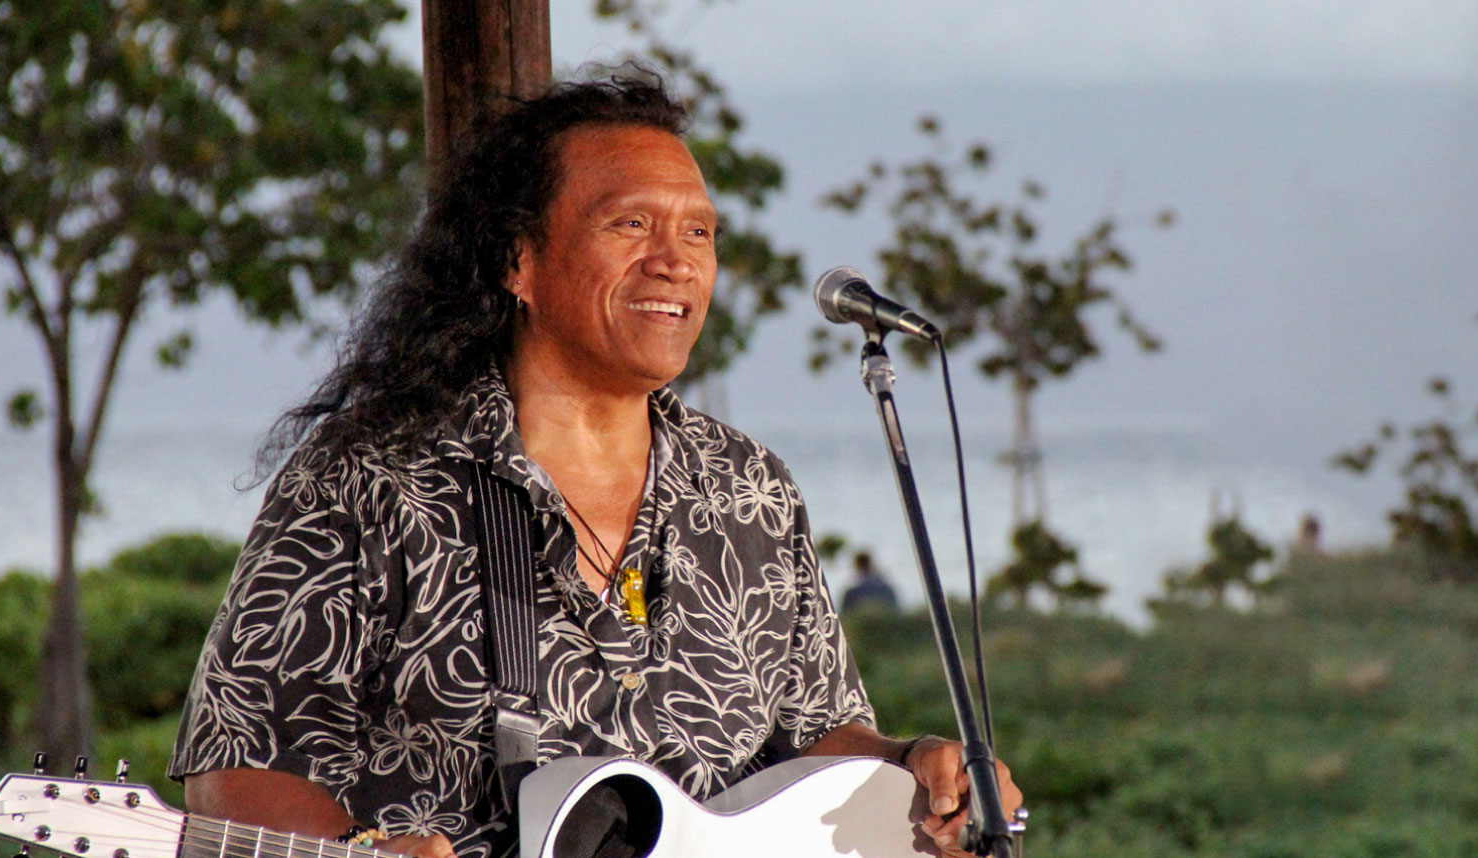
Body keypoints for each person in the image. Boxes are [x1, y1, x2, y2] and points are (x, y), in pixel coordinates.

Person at [168, 73, 1020, 858]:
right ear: (518, 260)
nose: (676, 259)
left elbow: (817, 736)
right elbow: (239, 763)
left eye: (699, 232)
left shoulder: (748, 489)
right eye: (630, 224)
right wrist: (359, 851)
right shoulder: (373, 477)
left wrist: (916, 767)